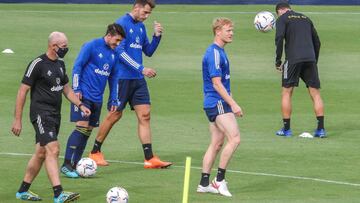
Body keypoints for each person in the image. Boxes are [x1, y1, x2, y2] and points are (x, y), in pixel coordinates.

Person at [88, 0, 172, 169]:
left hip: (137, 79)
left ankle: (149, 158)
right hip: (121, 78)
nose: (147, 16)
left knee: (145, 115)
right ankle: (95, 152)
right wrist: (141, 69)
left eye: (149, 14)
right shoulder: (121, 24)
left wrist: (157, 36)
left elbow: (147, 51)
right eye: (145, 12)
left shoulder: (141, 26)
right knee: (115, 115)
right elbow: (120, 52)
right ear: (136, 7)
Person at [11, 32, 91, 202]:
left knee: (41, 153)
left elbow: (66, 89)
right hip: (41, 113)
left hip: (55, 114)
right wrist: (17, 119)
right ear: (53, 46)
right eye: (63, 47)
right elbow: (22, 91)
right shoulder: (37, 64)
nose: (66, 49)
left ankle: (22, 191)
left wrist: (80, 105)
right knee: (53, 149)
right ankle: (58, 193)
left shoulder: (60, 64)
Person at [60, 24, 126, 178]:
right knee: (81, 127)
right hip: (83, 95)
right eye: (117, 40)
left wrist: (113, 98)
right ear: (110, 34)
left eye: (120, 41)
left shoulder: (114, 54)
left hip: (98, 98)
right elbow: (78, 66)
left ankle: (75, 165)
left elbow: (114, 77)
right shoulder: (91, 46)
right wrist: (76, 89)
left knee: (87, 132)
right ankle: (66, 164)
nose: (118, 44)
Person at [196, 17, 243, 197]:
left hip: (214, 102)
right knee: (235, 138)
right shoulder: (214, 53)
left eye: (232, 30)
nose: (231, 33)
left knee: (216, 144)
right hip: (217, 103)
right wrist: (233, 104)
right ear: (218, 31)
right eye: (228, 30)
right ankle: (219, 181)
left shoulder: (219, 52)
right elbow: (216, 83)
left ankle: (204, 183)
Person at [274, 2, 325, 138]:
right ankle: (321, 130)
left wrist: (278, 60)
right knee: (315, 93)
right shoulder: (306, 18)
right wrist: (314, 60)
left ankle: (286, 129)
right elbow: (317, 42)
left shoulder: (282, 19)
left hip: (293, 60)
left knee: (286, 92)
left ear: (280, 11)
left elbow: (279, 38)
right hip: (310, 59)